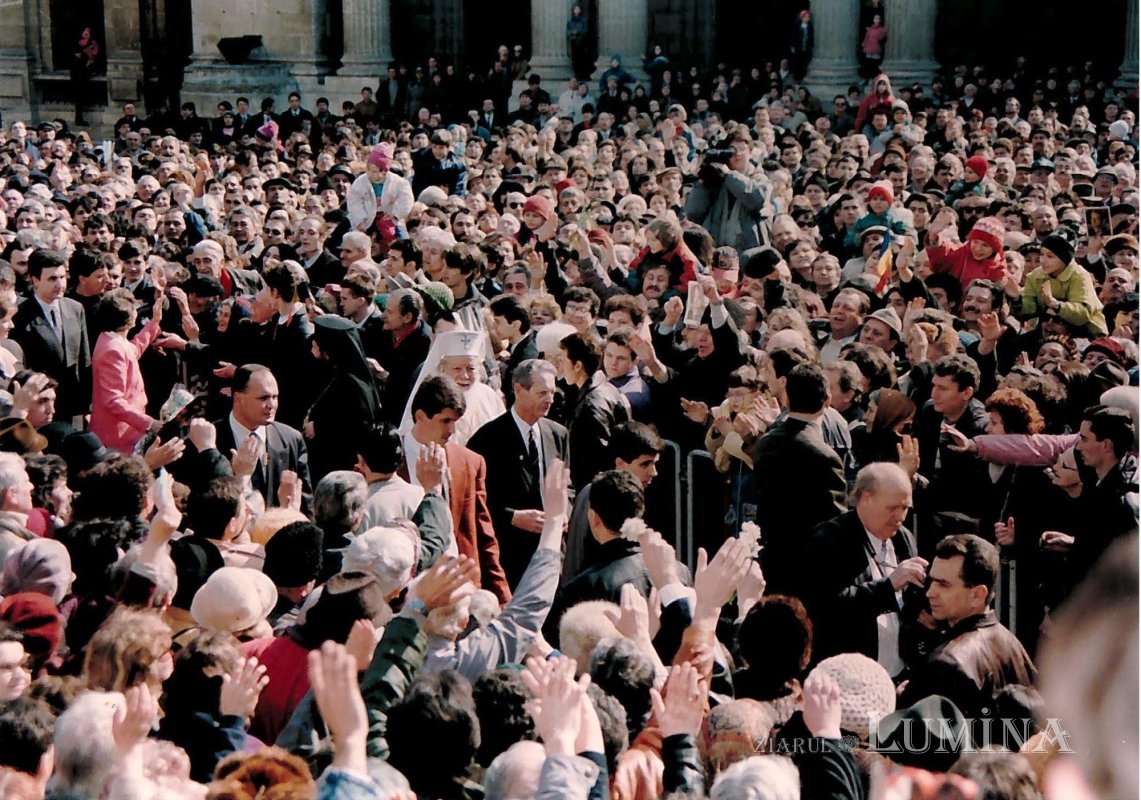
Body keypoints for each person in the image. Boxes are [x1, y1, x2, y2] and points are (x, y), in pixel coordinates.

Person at [901, 534, 1037, 722]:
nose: (930, 593)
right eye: (931, 581)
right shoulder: (1011, 643)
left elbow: (916, 743)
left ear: (977, 595)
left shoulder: (947, 663)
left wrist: (902, 701)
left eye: (943, 585)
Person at [805, 463, 925, 674]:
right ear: (866, 498)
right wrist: (888, 586)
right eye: (892, 508)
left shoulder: (904, 537)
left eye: (905, 508)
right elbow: (827, 608)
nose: (900, 517)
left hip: (898, 674)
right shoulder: (829, 539)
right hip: (848, 677)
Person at [402, 375, 511, 603]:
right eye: (445, 421)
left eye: (455, 421)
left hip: (459, 590)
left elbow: (482, 532)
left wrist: (502, 596)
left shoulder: (469, 462)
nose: (452, 429)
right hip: (406, 590)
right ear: (420, 416)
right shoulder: (390, 457)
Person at [468, 359, 570, 590]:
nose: (550, 400)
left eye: (552, 392)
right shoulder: (487, 439)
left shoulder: (558, 434)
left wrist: (563, 511)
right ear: (518, 390)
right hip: (510, 556)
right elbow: (476, 501)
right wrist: (512, 517)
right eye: (542, 392)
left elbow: (567, 484)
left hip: (551, 550)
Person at [753, 363, 847, 597]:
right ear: (827, 400)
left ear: (787, 398)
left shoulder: (765, 444)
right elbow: (835, 519)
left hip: (772, 558)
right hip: (810, 568)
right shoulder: (825, 456)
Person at [88, 286, 170, 453]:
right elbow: (113, 400)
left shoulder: (113, 340)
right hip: (117, 435)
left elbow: (133, 350)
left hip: (129, 430)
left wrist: (154, 323)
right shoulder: (112, 349)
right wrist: (149, 423)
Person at [12, 250, 91, 420]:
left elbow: (84, 360)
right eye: (52, 279)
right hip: (40, 407)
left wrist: (87, 406)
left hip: (73, 405)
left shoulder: (75, 308)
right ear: (35, 281)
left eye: (62, 277)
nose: (60, 284)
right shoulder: (20, 315)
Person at [304, 315, 382, 479]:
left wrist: (319, 427)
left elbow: (355, 426)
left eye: (317, 342)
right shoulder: (338, 373)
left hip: (340, 468)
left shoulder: (353, 385)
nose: (313, 345)